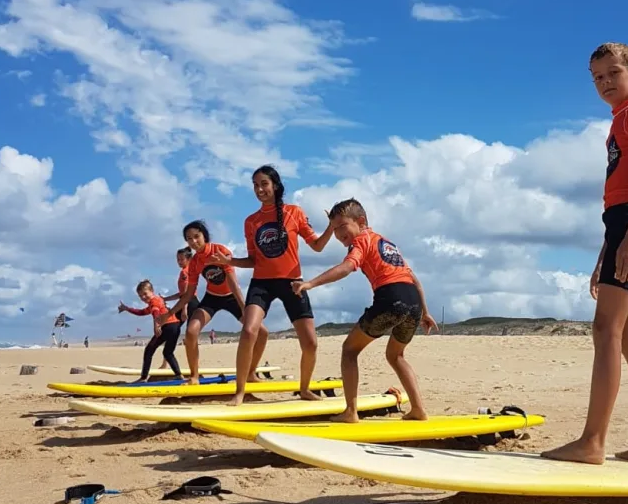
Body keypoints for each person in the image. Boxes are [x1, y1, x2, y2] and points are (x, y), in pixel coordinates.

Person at [541, 42, 628, 466]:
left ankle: (592, 442)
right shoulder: (619, 121)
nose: (604, 83)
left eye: (613, 73)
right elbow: (617, 198)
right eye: (597, 77)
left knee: (606, 332)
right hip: (622, 227)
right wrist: (606, 253)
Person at [291, 198, 438, 423]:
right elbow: (414, 279)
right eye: (334, 228)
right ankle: (418, 408)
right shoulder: (387, 243)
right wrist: (425, 312)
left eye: (342, 226)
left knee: (349, 350)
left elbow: (347, 267)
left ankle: (351, 412)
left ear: (360, 222)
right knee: (396, 355)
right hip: (412, 302)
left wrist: (310, 283)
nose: (338, 233)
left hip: (391, 299)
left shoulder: (361, 241)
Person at [212, 165, 334, 406]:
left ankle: (305, 389)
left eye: (264, 184)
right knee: (249, 331)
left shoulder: (294, 213)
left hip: (292, 283)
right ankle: (239, 392)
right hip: (262, 283)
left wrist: (330, 226)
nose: (259, 189)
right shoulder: (251, 221)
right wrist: (230, 261)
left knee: (310, 342)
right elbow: (253, 260)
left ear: (275, 186)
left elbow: (317, 246)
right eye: (255, 185)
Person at [160, 220, 269, 386]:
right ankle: (194, 377)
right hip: (212, 298)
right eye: (189, 239)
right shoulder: (195, 262)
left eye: (196, 236)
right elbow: (188, 294)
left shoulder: (220, 251)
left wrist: (243, 308)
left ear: (204, 235)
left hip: (231, 296)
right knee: (191, 332)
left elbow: (233, 284)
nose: (193, 241)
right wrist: (168, 314)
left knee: (262, 332)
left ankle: (251, 372)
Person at [118, 280, 183, 382]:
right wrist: (127, 308)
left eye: (145, 294)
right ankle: (178, 375)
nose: (143, 297)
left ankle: (143, 377)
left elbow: (156, 313)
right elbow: (141, 312)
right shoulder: (156, 301)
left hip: (168, 327)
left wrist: (156, 326)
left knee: (149, 350)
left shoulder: (154, 301)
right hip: (175, 326)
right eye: (140, 296)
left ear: (152, 291)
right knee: (168, 353)